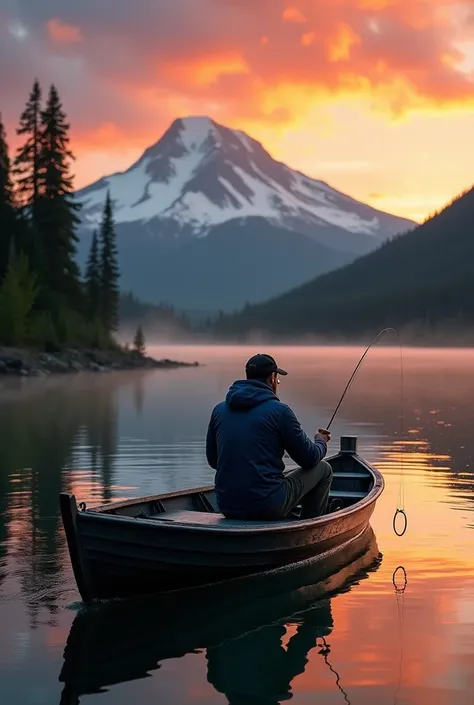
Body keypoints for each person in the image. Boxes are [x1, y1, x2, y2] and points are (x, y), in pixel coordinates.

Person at [205, 353, 333, 520]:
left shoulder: (219, 410)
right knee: (323, 469)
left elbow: (214, 461)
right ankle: (311, 526)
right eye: (277, 379)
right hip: (267, 506)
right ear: (272, 378)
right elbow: (309, 459)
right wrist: (320, 442)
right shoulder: (280, 411)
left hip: (226, 505)